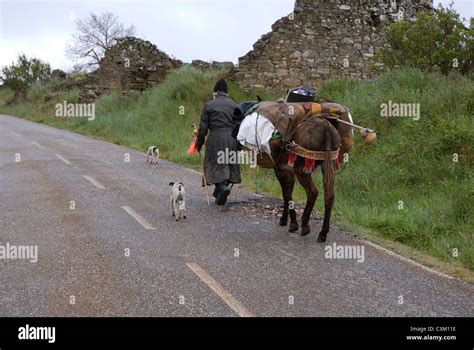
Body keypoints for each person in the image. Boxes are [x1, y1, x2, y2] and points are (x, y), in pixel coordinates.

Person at [196, 79, 241, 205]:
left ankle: (221, 188)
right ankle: (221, 190)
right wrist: (239, 144)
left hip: (215, 138)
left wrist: (198, 144)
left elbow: (203, 128)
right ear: (227, 93)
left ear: (215, 92)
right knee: (228, 163)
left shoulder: (209, 105)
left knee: (214, 164)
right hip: (232, 138)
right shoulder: (235, 105)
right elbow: (240, 125)